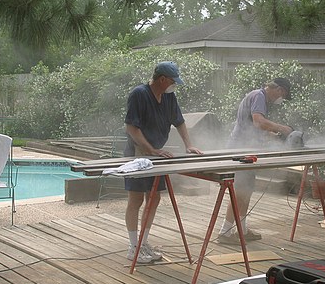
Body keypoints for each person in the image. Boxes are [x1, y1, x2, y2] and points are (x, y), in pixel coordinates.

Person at [123, 61, 202, 264]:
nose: (174, 85)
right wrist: (150, 150)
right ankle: (133, 248)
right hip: (138, 152)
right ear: (162, 79)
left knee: (154, 198)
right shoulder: (139, 94)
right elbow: (131, 128)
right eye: (173, 81)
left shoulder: (168, 96)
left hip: (156, 154)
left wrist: (189, 145)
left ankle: (143, 242)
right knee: (136, 200)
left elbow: (180, 121)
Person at [217, 77, 293, 245]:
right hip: (240, 150)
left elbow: (255, 128)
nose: (281, 98)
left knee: (247, 190)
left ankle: (242, 230)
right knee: (240, 192)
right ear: (278, 89)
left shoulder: (260, 98)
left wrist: (273, 136)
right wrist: (282, 128)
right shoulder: (259, 96)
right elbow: (259, 122)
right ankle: (225, 232)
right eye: (283, 94)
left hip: (246, 149)